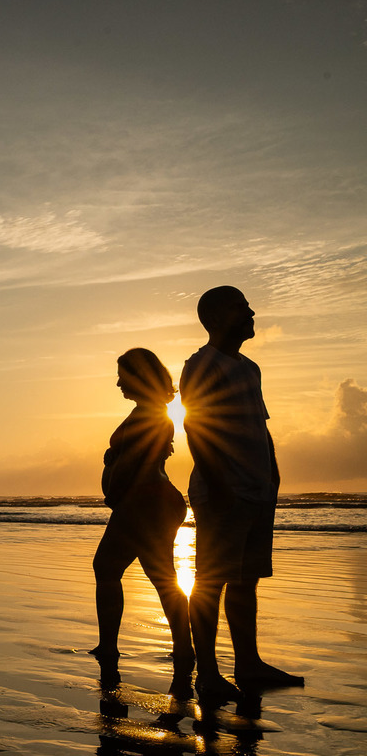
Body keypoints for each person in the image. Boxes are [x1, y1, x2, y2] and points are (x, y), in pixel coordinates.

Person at [181, 286, 303, 703]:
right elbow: (195, 427)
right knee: (211, 580)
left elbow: (260, 426)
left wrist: (273, 476)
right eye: (240, 307)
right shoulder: (201, 365)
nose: (250, 312)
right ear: (214, 318)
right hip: (223, 493)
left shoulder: (250, 368)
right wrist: (219, 487)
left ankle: (248, 663)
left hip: (256, 490)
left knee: (246, 580)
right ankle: (209, 673)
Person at [90, 348, 192, 693]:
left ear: (139, 377)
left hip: (146, 502)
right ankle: (182, 648)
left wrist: (115, 491)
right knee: (159, 575)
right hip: (151, 501)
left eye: (123, 375)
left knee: (110, 568)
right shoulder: (150, 412)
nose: (118, 382)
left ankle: (112, 646)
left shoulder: (150, 415)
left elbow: (136, 463)